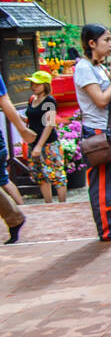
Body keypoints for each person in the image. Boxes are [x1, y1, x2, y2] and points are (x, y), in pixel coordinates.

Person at [74, 24, 111, 241]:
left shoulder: (100, 67)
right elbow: (100, 100)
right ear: (92, 43)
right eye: (106, 40)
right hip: (98, 130)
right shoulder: (84, 68)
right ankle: (109, 230)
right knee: (103, 182)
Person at [0, 72, 36, 243]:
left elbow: (4, 100)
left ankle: (14, 217)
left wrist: (22, 130)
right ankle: (14, 218)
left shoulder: (49, 103)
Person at [24, 71, 67, 204]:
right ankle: (48, 204)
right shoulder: (32, 99)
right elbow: (31, 119)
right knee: (41, 175)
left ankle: (63, 204)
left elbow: (49, 124)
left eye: (37, 84)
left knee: (57, 174)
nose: (34, 86)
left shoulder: (49, 101)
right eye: (33, 84)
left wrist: (40, 145)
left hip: (48, 143)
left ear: (45, 85)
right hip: (34, 142)